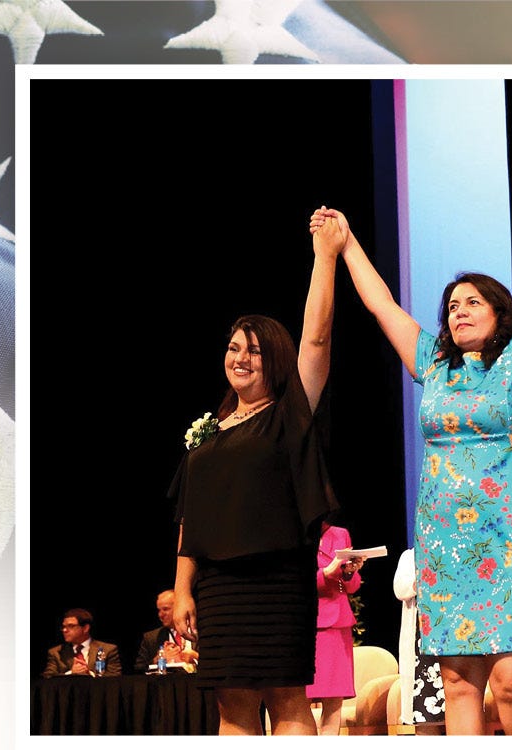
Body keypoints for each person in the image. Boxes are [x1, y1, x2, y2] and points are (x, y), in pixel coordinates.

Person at [308, 184, 512, 736]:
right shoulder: (435, 363)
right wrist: (348, 243)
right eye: (452, 305)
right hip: (444, 538)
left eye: (472, 302)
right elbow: (381, 306)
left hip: (511, 533)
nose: (458, 312)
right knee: (457, 683)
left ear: (501, 312)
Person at [167, 216, 344, 735]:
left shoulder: (290, 412)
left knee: (286, 699)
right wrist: (183, 590)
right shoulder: (210, 431)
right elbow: (189, 518)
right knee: (232, 703)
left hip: (276, 581)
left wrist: (325, 255)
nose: (240, 358)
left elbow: (317, 337)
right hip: (219, 586)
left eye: (254, 350)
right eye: (233, 348)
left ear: (276, 362)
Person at [309, 521, 365, 734]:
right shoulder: (292, 533)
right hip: (306, 622)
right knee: (297, 699)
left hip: (337, 624)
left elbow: (349, 586)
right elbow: (292, 582)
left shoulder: (340, 534)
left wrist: (349, 573)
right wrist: (326, 572)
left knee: (334, 701)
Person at [393, 547, 445, 733]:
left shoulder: (458, 552)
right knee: (423, 714)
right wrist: (426, 579)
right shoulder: (410, 556)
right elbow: (400, 589)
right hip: (421, 643)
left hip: (450, 639)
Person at [41, 608, 122, 678]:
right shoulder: (55, 653)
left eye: (71, 626)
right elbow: (48, 678)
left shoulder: (108, 650)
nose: (65, 630)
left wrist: (89, 674)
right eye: (63, 627)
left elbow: (115, 679)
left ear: (85, 628)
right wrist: (71, 673)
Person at [135, 590, 198, 673]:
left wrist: (196, 657)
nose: (160, 615)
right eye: (159, 610)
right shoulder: (151, 638)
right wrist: (158, 659)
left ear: (179, 607)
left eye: (165, 609)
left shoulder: (202, 630)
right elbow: (138, 670)